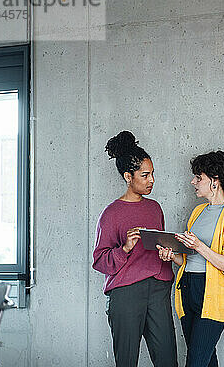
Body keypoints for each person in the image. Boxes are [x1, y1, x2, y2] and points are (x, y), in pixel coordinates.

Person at [92, 131, 177, 367]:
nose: (151, 180)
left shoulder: (155, 208)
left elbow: (159, 245)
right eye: (145, 175)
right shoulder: (111, 214)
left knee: (168, 360)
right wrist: (126, 248)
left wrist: (166, 254)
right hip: (126, 293)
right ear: (128, 176)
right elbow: (100, 260)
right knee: (127, 361)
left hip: (159, 288)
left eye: (153, 175)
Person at [157, 150, 224, 367]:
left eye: (199, 177)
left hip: (212, 294)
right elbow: (189, 260)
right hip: (188, 288)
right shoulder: (197, 212)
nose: (193, 181)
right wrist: (172, 257)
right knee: (206, 360)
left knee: (196, 362)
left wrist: (199, 246)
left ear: (214, 181)